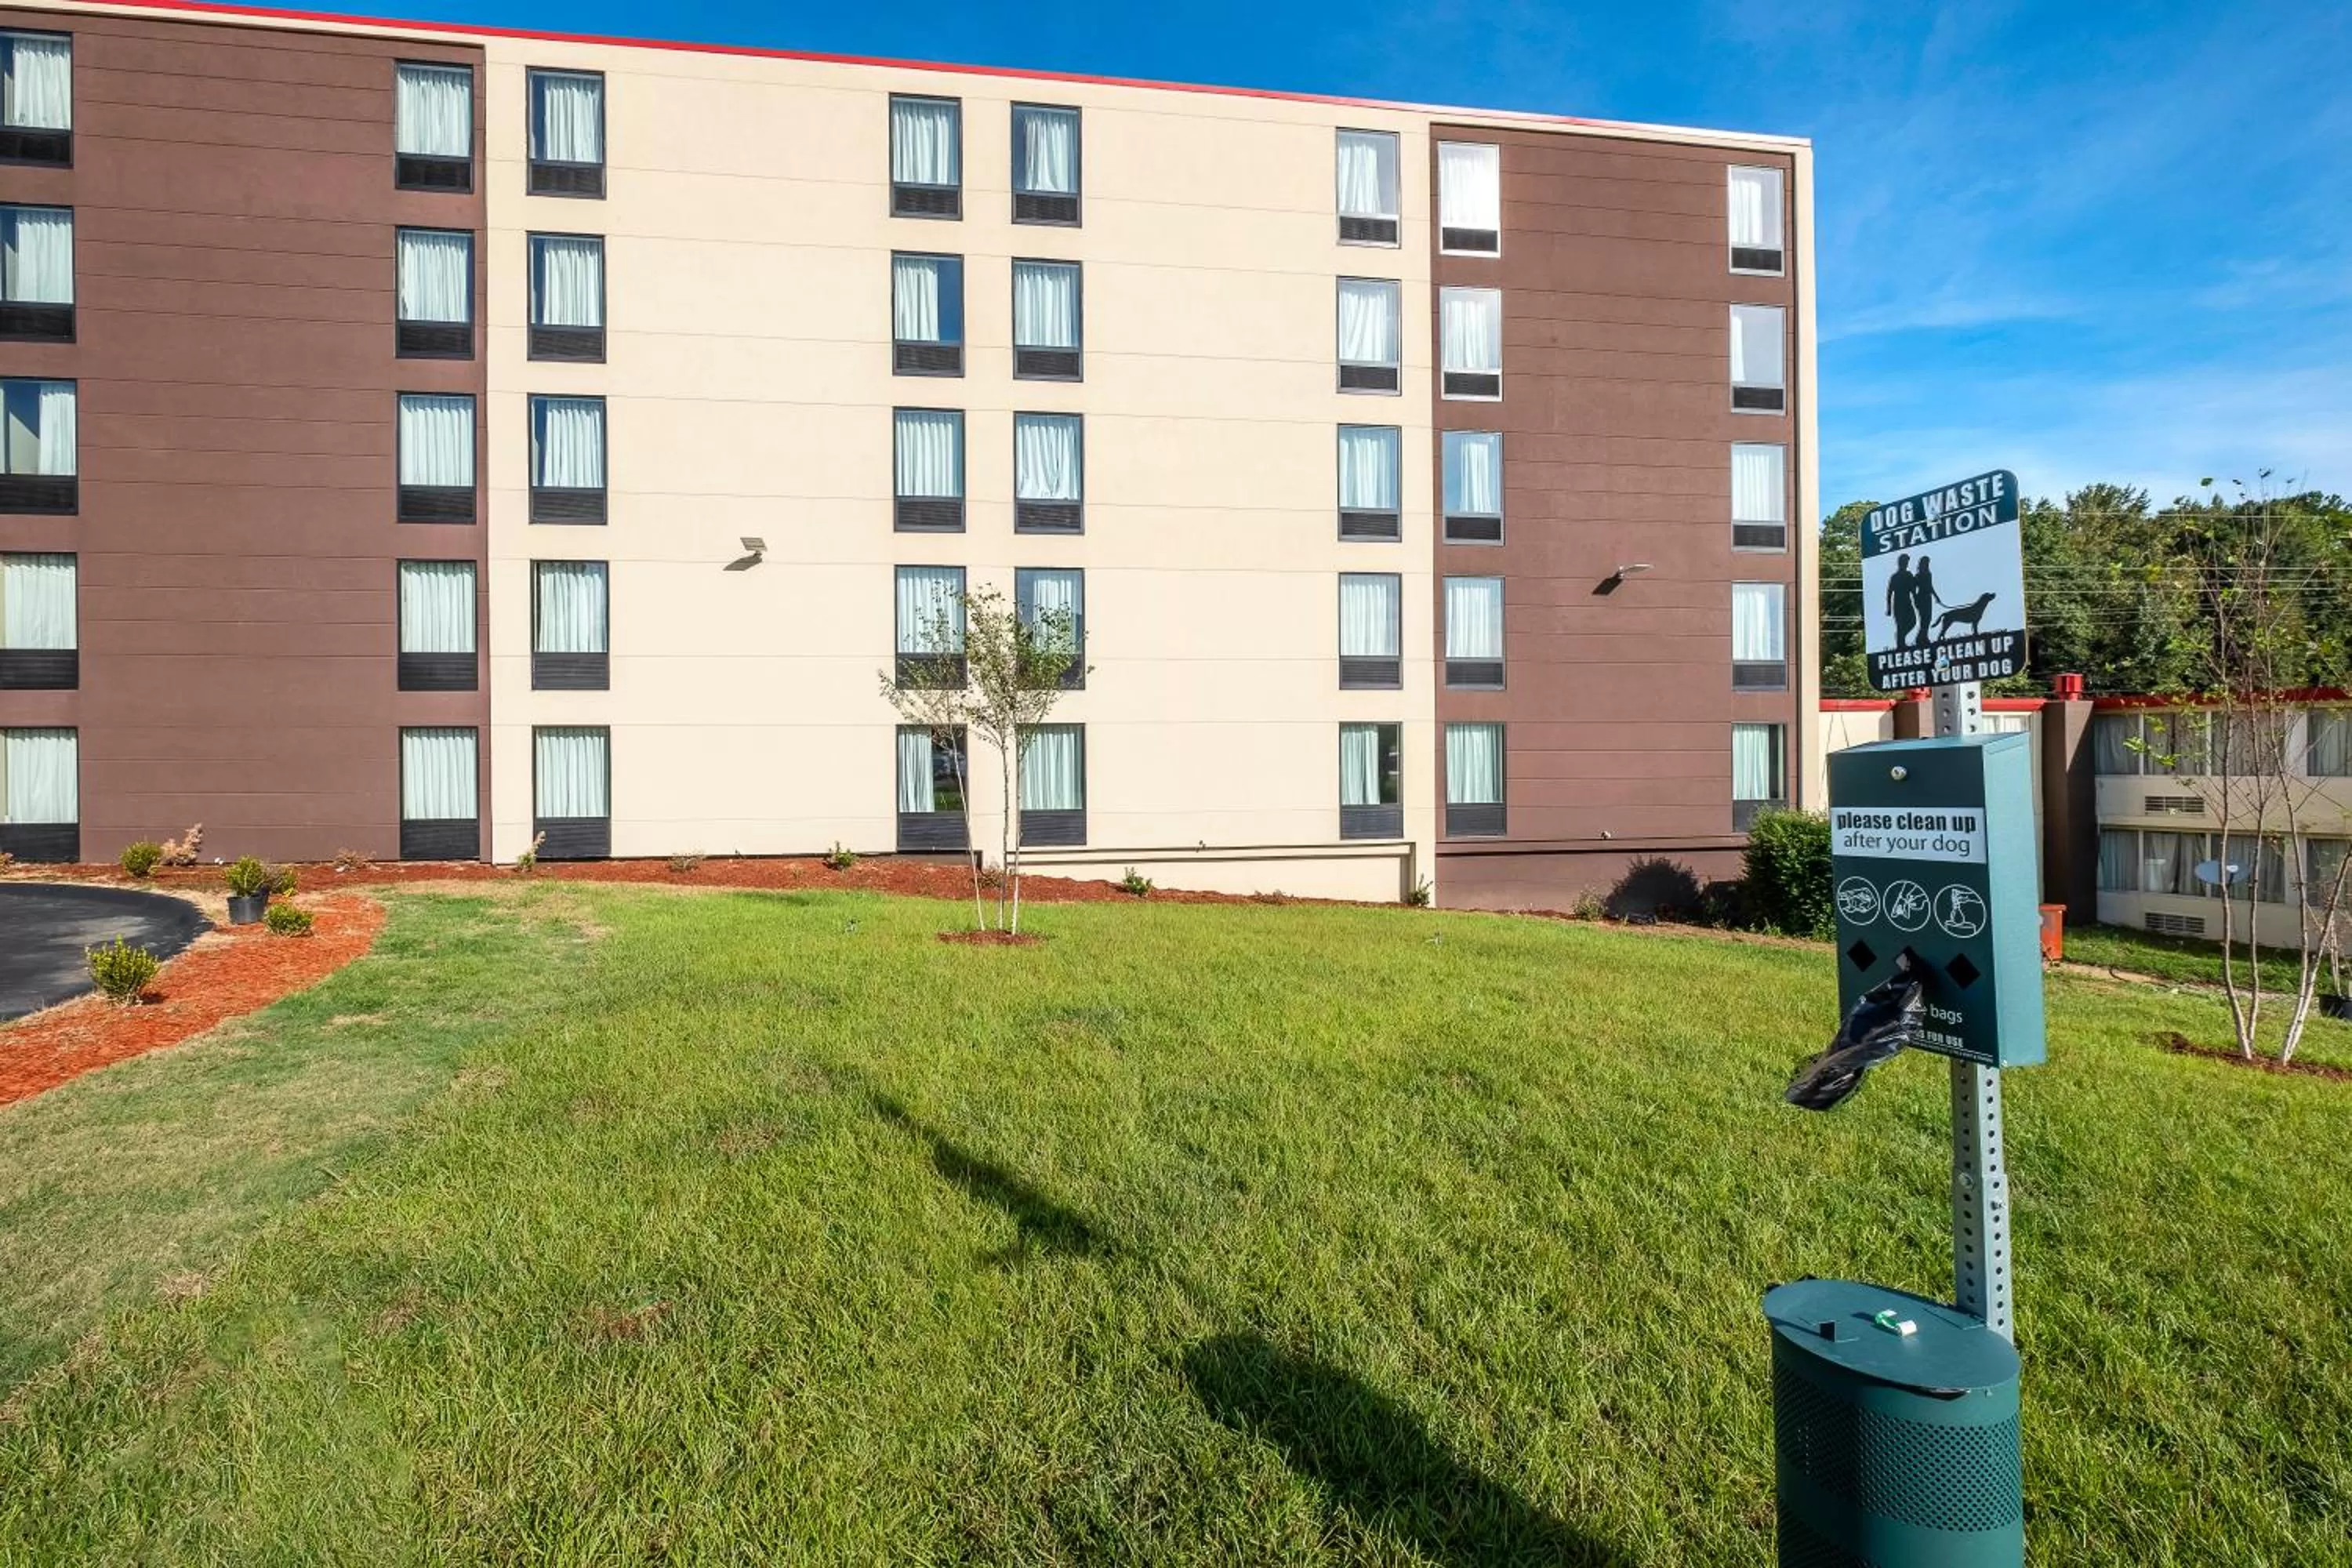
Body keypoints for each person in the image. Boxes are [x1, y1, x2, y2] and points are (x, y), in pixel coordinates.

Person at [1886, 553, 1918, 652]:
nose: (1906, 564)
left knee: (1912, 621)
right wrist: (1889, 608)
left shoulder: (1909, 575)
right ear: (1900, 563)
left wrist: (1916, 599)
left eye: (1907, 562)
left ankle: (1901, 639)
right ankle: (1901, 645)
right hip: (1898, 603)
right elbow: (1889, 593)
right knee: (1900, 624)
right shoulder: (1895, 577)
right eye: (1904, 562)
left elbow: (1913, 590)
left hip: (1907, 602)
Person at [1911, 556, 1940, 646]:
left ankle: (1924, 637)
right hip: (1921, 598)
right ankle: (1920, 638)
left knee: (1928, 618)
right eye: (1926, 562)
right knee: (1924, 619)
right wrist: (1915, 599)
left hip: (1928, 598)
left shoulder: (1928, 574)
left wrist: (1936, 597)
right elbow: (1913, 588)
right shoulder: (1918, 576)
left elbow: (1930, 586)